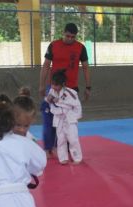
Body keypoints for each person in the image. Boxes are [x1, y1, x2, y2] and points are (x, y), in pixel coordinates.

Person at [39, 22, 91, 159]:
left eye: (73, 37)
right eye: (67, 36)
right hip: (54, 88)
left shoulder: (81, 48)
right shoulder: (53, 45)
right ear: (63, 33)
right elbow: (45, 66)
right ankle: (49, 148)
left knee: (70, 121)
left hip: (71, 90)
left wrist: (88, 87)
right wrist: (42, 85)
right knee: (50, 119)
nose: (70, 39)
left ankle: (68, 147)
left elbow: (85, 67)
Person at [45, 70, 83, 165]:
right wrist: (50, 100)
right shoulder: (51, 91)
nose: (54, 87)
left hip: (69, 118)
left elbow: (77, 106)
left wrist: (76, 116)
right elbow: (49, 102)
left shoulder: (71, 93)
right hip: (59, 118)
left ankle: (77, 158)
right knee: (61, 139)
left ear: (62, 84)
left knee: (73, 138)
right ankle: (63, 158)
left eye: (56, 85)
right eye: (52, 84)